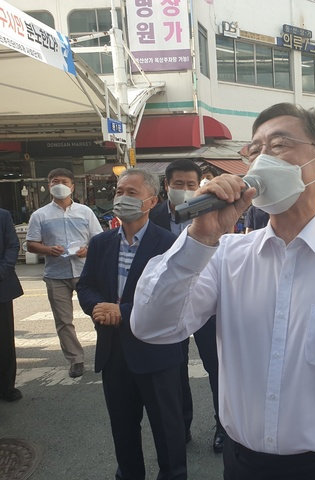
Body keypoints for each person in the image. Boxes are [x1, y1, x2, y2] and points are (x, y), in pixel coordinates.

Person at [131, 103, 315, 480]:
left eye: (279, 145)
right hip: (245, 465)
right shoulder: (224, 257)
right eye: (255, 150)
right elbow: (151, 327)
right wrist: (200, 238)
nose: (262, 159)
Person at [77, 169, 188, 480]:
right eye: (118, 191)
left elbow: (173, 300)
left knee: (167, 430)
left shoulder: (169, 244)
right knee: (123, 430)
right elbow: (85, 286)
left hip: (157, 356)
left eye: (131, 193)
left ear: (150, 201)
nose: (121, 197)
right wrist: (97, 307)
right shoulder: (101, 243)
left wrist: (123, 310)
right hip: (114, 354)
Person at [149, 158, 225, 452]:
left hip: (205, 300)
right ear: (166, 185)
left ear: (199, 186)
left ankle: (223, 427)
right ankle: (181, 425)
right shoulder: (151, 215)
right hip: (168, 303)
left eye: (190, 185)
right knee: (174, 369)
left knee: (216, 366)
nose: (184, 189)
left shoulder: (209, 209)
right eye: (178, 184)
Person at [26, 168, 102, 378]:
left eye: (63, 181)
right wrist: (47, 250)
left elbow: (98, 239)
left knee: (98, 314)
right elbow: (31, 244)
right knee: (63, 320)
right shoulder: (39, 215)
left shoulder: (85, 212)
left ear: (72, 186)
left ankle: (105, 354)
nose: (58, 184)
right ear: (49, 186)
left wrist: (88, 250)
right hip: (55, 274)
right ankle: (75, 359)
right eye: (54, 181)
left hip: (85, 272)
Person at [0, 208, 24, 402]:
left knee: (4, 340)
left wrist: (3, 270)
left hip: (1, 286)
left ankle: (7, 387)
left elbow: (12, 246)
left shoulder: (3, 215)